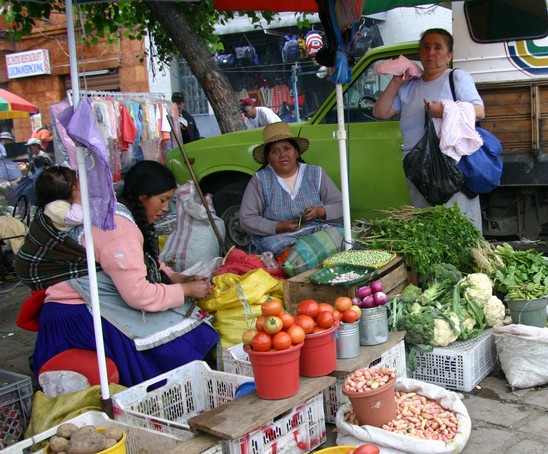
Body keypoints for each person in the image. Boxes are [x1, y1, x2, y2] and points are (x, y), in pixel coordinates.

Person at [22, 162, 220, 386]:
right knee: (187, 337)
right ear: (143, 196)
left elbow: (141, 262)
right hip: (78, 317)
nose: (166, 208)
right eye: (163, 200)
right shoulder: (116, 226)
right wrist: (184, 290)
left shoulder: (118, 213)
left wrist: (176, 278)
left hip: (75, 309)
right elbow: (139, 295)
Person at [372, 28, 485, 229]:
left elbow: (479, 111)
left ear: (449, 56)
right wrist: (397, 82)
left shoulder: (456, 77)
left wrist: (444, 110)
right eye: (426, 47)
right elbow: (380, 112)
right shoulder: (410, 86)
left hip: (449, 166)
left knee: (459, 226)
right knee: (429, 227)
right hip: (416, 167)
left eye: (438, 47)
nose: (431, 52)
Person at [239, 122, 343, 257]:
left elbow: (341, 205)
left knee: (338, 237)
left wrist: (320, 211)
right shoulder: (260, 179)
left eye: (287, 149)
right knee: (292, 256)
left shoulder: (316, 173)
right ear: (268, 158)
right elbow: (247, 219)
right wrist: (278, 226)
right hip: (282, 238)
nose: (282, 155)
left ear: (296, 152)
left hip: (317, 231)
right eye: (274, 151)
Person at [34, 163, 83, 232]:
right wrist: (77, 201)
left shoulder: (58, 204)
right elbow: (77, 218)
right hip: (63, 237)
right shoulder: (53, 207)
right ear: (71, 190)